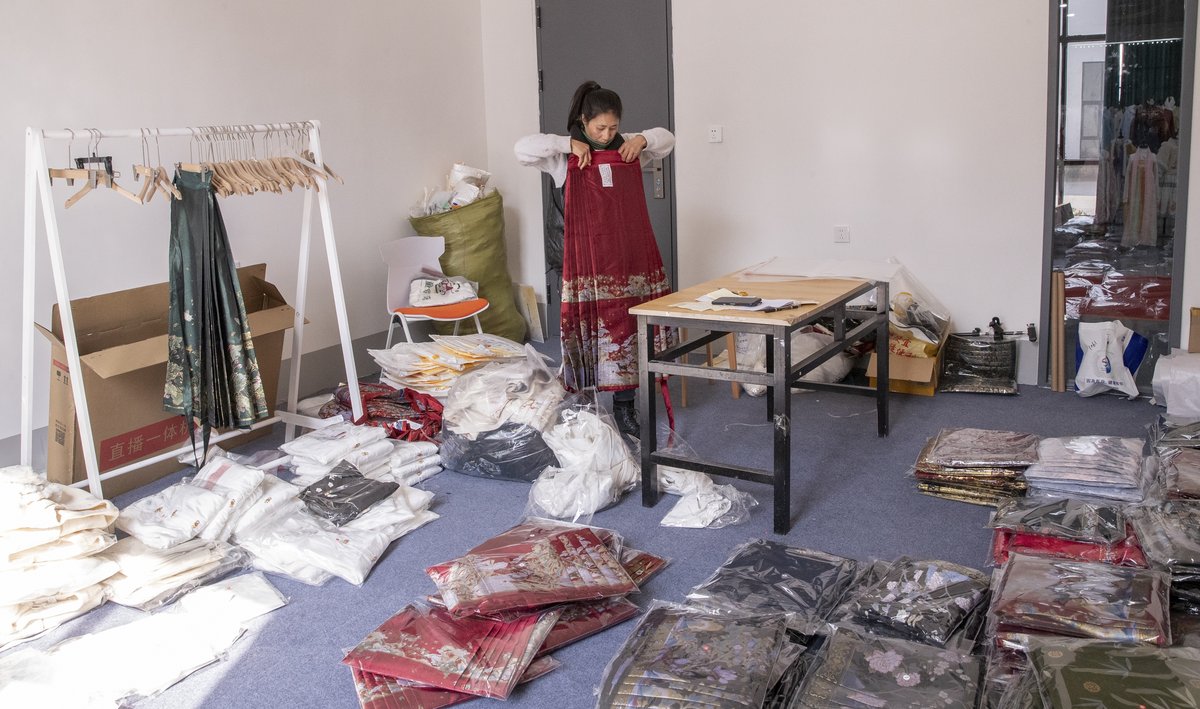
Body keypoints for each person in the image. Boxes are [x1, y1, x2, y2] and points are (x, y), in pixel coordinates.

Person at [515, 80, 675, 438]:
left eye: (613, 127)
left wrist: (642, 139)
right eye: (599, 128)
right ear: (584, 121)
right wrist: (564, 142)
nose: (606, 134)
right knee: (585, 332)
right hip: (581, 263)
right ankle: (585, 408)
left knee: (625, 333)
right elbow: (521, 149)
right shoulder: (562, 156)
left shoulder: (631, 147)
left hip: (626, 263)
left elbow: (668, 138)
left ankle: (624, 407)